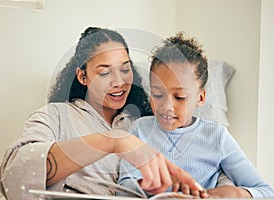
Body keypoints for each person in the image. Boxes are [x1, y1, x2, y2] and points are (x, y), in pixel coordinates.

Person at [0, 27, 207, 200]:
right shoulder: (56, 116)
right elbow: (14, 174)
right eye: (105, 72)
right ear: (82, 76)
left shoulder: (147, 122)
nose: (119, 82)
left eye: (125, 69)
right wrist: (113, 140)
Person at [117, 32, 274, 198]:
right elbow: (123, 187)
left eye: (180, 97)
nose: (167, 106)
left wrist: (237, 193)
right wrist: (156, 186)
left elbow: (266, 191)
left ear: (200, 98)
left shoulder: (216, 136)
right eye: (157, 94)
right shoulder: (140, 130)